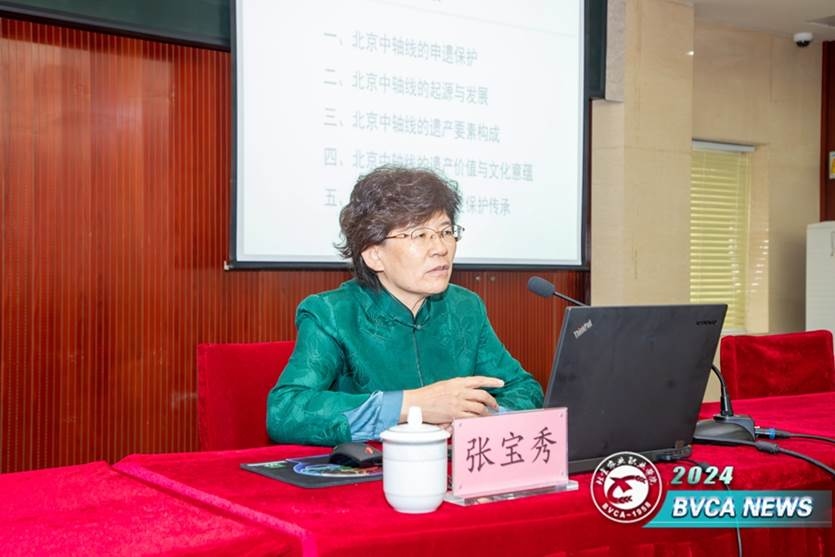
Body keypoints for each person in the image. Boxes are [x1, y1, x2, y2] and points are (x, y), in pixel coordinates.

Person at [267, 167, 543, 446]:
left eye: (445, 231)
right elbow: (286, 411)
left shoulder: (464, 307)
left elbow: (524, 389)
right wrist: (412, 405)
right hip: (379, 467)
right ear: (374, 255)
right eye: (419, 235)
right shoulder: (332, 314)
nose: (441, 248)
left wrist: (479, 416)